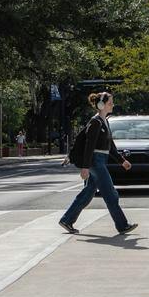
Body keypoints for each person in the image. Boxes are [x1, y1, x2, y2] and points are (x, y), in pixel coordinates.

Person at [58, 91, 134, 236]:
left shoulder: (104, 121)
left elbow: (110, 147)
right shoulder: (96, 122)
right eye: (110, 102)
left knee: (87, 193)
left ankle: (67, 220)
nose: (113, 104)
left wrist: (122, 161)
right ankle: (122, 225)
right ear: (101, 105)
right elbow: (89, 146)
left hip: (99, 160)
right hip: (95, 162)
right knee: (110, 193)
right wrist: (85, 167)